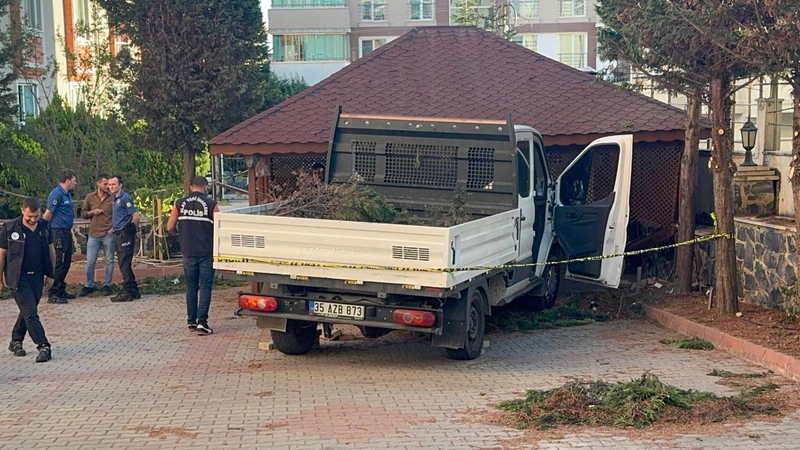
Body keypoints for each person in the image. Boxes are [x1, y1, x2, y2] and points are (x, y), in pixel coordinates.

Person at [0, 197, 55, 362]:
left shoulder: (44, 226)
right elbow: (1, 255)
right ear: (22, 211)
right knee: (31, 313)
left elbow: (51, 251)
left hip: (37, 276)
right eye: (29, 216)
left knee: (27, 311)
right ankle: (43, 345)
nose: (33, 219)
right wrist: (0, 280)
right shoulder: (10, 228)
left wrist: (51, 274)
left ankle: (16, 340)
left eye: (36, 216)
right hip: (18, 277)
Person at [167, 176, 219, 335]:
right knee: (205, 287)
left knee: (191, 287)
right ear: (205, 187)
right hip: (206, 251)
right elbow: (220, 226)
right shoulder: (211, 204)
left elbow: (169, 226)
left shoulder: (179, 203)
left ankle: (191, 321)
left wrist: (181, 233)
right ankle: (202, 323)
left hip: (188, 251)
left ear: (191, 187)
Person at [43, 169, 77, 304]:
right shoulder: (56, 194)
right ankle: (53, 293)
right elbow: (48, 214)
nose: (75, 183)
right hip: (58, 232)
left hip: (66, 232)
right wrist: (43, 230)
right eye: (74, 180)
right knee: (59, 262)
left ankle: (61, 288)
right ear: (68, 180)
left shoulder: (66, 194)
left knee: (66, 262)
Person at [79, 174, 115, 297]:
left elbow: (117, 214)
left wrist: (113, 228)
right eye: (105, 184)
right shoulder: (90, 197)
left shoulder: (112, 198)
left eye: (108, 184)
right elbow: (83, 214)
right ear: (98, 184)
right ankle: (89, 285)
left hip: (107, 233)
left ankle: (107, 285)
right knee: (90, 261)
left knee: (109, 260)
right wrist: (92, 212)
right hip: (93, 234)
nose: (107, 186)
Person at [107, 175, 140, 302]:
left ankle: (127, 291)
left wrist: (131, 230)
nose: (111, 187)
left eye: (113, 184)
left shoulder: (125, 198)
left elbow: (135, 215)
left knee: (124, 263)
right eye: (109, 184)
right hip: (118, 234)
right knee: (123, 263)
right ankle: (133, 290)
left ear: (120, 185)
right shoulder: (115, 198)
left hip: (125, 235)